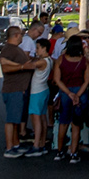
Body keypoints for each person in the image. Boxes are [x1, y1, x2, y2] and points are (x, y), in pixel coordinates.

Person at [0, 25, 42, 158]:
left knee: (16, 119)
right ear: (16, 35)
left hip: (19, 89)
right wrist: (22, 67)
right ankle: (9, 148)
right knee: (11, 120)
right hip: (13, 89)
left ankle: (15, 143)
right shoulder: (9, 50)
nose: (23, 37)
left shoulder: (15, 49)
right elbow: (5, 67)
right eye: (21, 35)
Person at [51, 28, 89, 163]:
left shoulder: (61, 60)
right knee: (76, 124)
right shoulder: (84, 61)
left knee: (63, 122)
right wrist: (77, 95)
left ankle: (60, 151)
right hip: (80, 91)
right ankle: (74, 153)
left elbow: (57, 79)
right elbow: (87, 80)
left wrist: (68, 93)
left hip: (65, 92)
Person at [18, 18, 52, 156]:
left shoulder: (42, 62)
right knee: (42, 117)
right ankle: (42, 143)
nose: (35, 50)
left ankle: (36, 144)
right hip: (43, 90)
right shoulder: (48, 60)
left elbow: (27, 64)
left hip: (37, 92)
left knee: (36, 118)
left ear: (44, 49)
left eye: (37, 48)